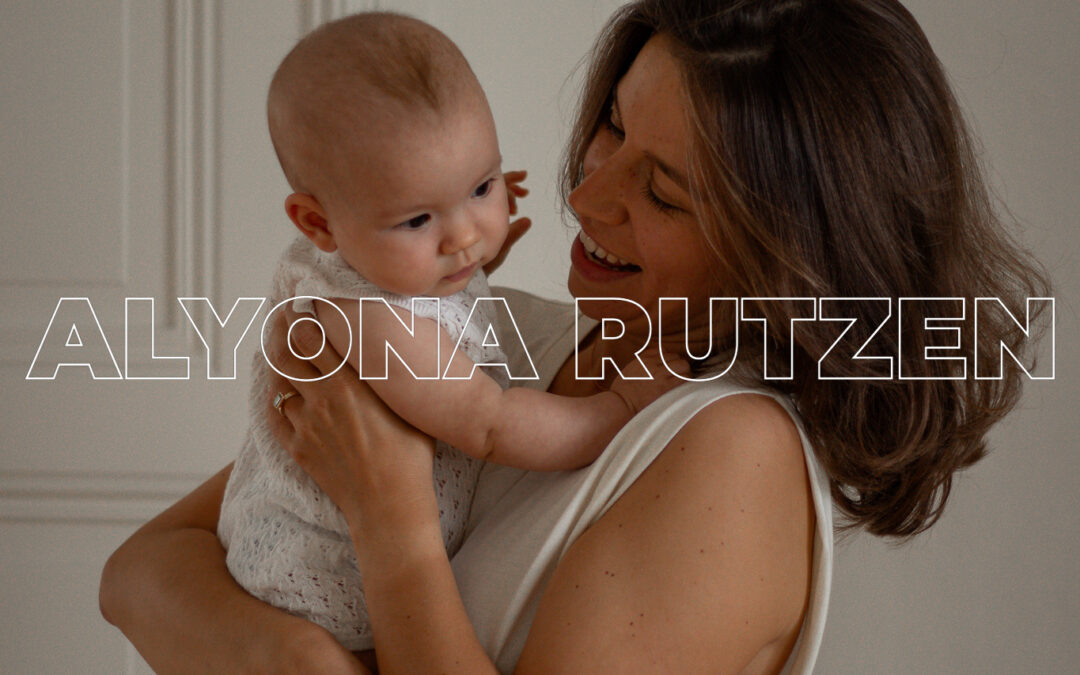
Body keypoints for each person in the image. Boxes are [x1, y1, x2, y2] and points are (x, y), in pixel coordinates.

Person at [99, 1, 1050, 673]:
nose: (587, 196)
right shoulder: (497, 329)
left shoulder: (732, 454)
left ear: (788, 257)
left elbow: (178, 587)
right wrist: (304, 661)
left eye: (663, 192)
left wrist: (395, 527)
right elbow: (138, 571)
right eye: (612, 126)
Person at [218, 12, 684, 653]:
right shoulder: (366, 318)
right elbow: (488, 423)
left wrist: (463, 263)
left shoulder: (382, 266)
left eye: (482, 188)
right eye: (418, 220)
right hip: (321, 584)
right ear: (318, 224)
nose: (465, 236)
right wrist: (620, 408)